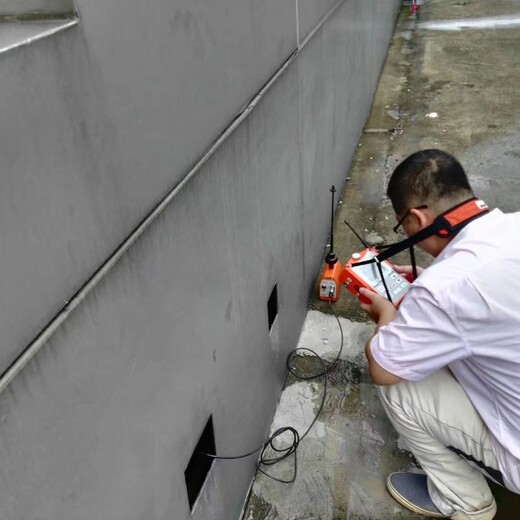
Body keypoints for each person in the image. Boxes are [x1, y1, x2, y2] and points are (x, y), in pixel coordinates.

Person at [360, 149, 520, 520]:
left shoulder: (446, 289)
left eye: (403, 227)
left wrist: (388, 314)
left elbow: (384, 367)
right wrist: (423, 290)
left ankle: (465, 503)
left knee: (397, 385)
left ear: (416, 218)